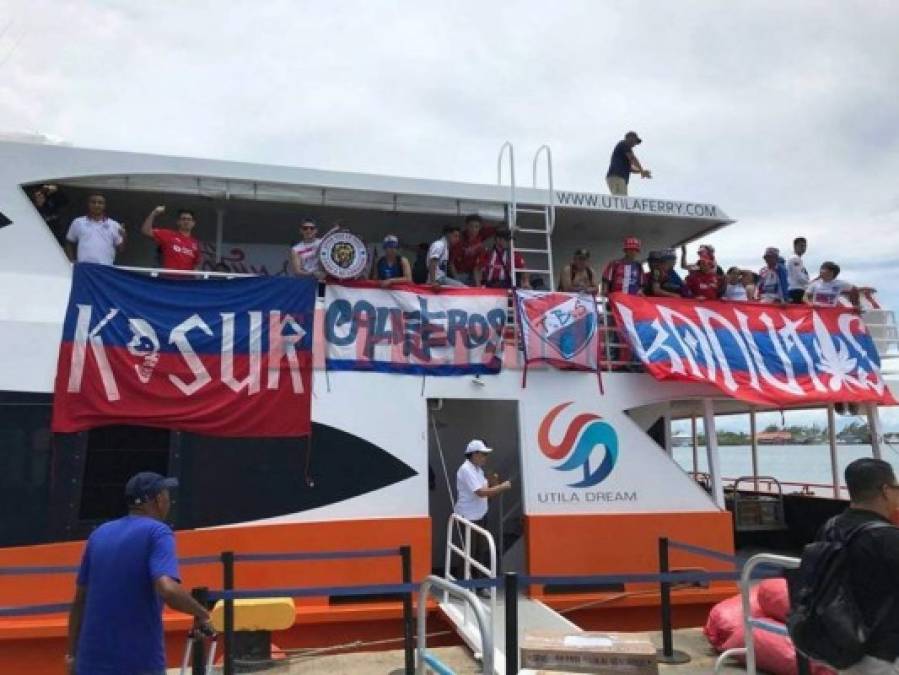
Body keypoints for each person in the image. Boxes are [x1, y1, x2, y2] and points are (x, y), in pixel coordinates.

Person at [66, 472, 212, 675]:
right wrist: (202, 613)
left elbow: (80, 601)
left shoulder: (98, 534)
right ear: (158, 500)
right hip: (137, 663)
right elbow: (167, 588)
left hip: (90, 663)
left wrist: (71, 655)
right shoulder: (158, 532)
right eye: (166, 495)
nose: (169, 500)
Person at [816, 458, 899, 673]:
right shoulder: (887, 538)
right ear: (885, 490)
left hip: (844, 644)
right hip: (884, 655)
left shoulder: (829, 527)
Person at [454, 440, 512, 596]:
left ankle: (478, 586)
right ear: (474, 454)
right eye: (483, 454)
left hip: (479, 515)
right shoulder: (466, 469)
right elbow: (480, 492)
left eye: (486, 454)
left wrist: (494, 484)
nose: (486, 457)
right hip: (467, 517)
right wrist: (501, 487)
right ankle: (461, 587)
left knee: (479, 552)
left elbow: (486, 491)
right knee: (467, 553)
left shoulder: (478, 470)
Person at [65, 193, 126, 265]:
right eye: (93, 202)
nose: (96, 205)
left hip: (105, 268)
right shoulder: (78, 222)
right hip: (83, 268)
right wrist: (71, 261)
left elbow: (121, 249)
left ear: (104, 206)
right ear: (88, 204)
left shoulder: (114, 225)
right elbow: (68, 242)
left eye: (100, 203)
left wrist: (124, 236)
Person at [140, 206, 201, 272]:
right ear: (178, 222)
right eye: (183, 219)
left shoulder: (196, 243)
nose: (186, 221)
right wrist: (154, 213)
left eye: (189, 219)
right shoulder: (168, 234)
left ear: (193, 223)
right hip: (169, 280)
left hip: (187, 281)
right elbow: (146, 231)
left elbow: (197, 265)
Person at [450, 214, 495, 286]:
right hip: (460, 275)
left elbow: (477, 268)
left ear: (480, 228)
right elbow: (451, 263)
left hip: (474, 275)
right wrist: (456, 280)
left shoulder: (481, 241)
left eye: (476, 227)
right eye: (471, 226)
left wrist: (478, 286)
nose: (473, 229)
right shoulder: (459, 240)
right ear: (466, 226)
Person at [606, 131, 651, 196]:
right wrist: (642, 170)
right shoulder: (623, 144)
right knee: (621, 199)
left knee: (623, 199)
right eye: (635, 141)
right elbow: (632, 158)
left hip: (619, 178)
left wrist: (641, 171)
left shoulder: (624, 151)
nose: (635, 144)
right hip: (616, 176)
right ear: (629, 138)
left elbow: (630, 169)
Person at [786, 236, 810, 304]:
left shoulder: (798, 259)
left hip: (797, 289)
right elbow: (798, 276)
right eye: (801, 246)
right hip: (796, 290)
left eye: (805, 246)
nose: (803, 248)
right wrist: (809, 283)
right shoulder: (795, 258)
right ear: (795, 246)